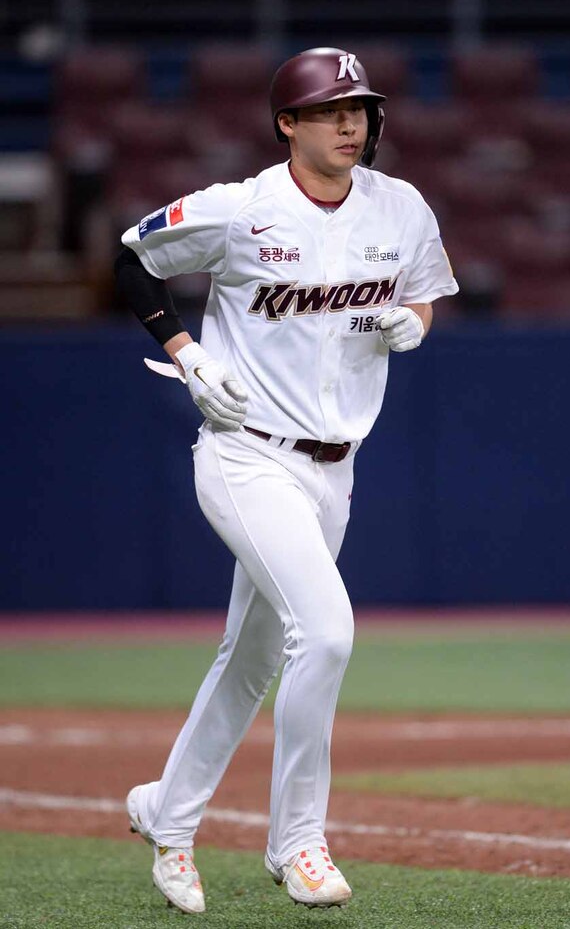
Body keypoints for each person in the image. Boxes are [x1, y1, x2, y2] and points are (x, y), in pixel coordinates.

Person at [114, 45, 458, 915]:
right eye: (330, 111)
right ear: (286, 124)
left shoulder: (401, 207)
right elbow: (131, 258)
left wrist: (415, 325)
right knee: (327, 633)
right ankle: (297, 841)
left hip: (335, 468)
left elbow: (423, 295)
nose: (351, 124)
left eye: (361, 109)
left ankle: (166, 813)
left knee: (253, 659)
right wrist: (187, 353)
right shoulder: (241, 210)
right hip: (245, 452)